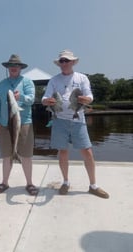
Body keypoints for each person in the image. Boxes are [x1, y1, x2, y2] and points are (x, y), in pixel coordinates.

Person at [42, 49, 109, 199]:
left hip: (78, 119)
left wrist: (87, 99)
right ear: (59, 64)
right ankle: (65, 182)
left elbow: (90, 95)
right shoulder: (54, 80)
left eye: (67, 60)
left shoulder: (82, 78)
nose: (64, 63)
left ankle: (93, 185)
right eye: (62, 61)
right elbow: (45, 97)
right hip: (59, 120)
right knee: (63, 152)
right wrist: (46, 101)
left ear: (73, 62)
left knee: (87, 152)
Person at [0, 54, 39, 196]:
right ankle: (5, 182)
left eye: (16, 66)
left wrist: (22, 97)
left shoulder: (27, 82)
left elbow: (31, 100)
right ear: (7, 68)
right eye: (11, 66)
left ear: (20, 68)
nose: (14, 68)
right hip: (5, 124)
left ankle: (29, 183)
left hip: (23, 123)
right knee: (6, 155)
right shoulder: (1, 84)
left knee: (26, 155)